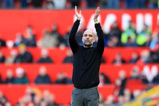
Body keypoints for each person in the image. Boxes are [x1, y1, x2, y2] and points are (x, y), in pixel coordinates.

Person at [70, 6, 104, 106]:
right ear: (82, 38)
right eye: (85, 35)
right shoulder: (77, 50)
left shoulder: (97, 51)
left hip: (92, 91)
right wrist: (78, 20)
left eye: (90, 36)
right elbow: (71, 37)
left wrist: (96, 21)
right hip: (77, 91)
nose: (87, 37)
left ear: (94, 39)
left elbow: (101, 39)